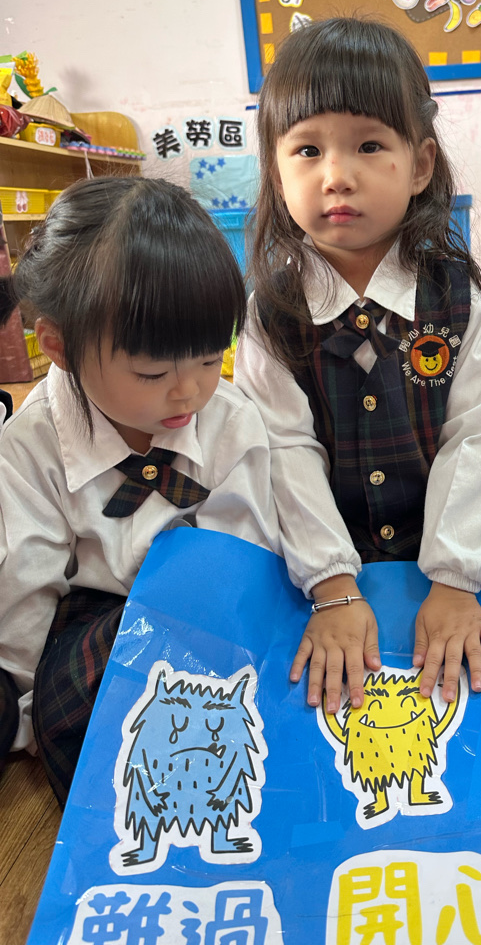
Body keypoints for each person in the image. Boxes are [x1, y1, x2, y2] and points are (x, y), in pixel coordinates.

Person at [235, 16, 481, 718]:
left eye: (369, 145)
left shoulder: (453, 298)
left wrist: (455, 580)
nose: (336, 176)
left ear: (419, 166)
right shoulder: (272, 313)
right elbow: (281, 450)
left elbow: (476, 435)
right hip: (330, 547)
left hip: (463, 535)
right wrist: (332, 586)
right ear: (276, 170)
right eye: (307, 150)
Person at [0, 176, 281, 802]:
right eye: (153, 372)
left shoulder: (230, 420)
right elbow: (26, 578)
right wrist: (22, 702)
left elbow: (242, 559)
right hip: (98, 620)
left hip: (210, 607)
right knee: (84, 722)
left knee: (265, 710)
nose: (190, 391)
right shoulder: (33, 442)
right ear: (59, 346)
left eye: (209, 358)